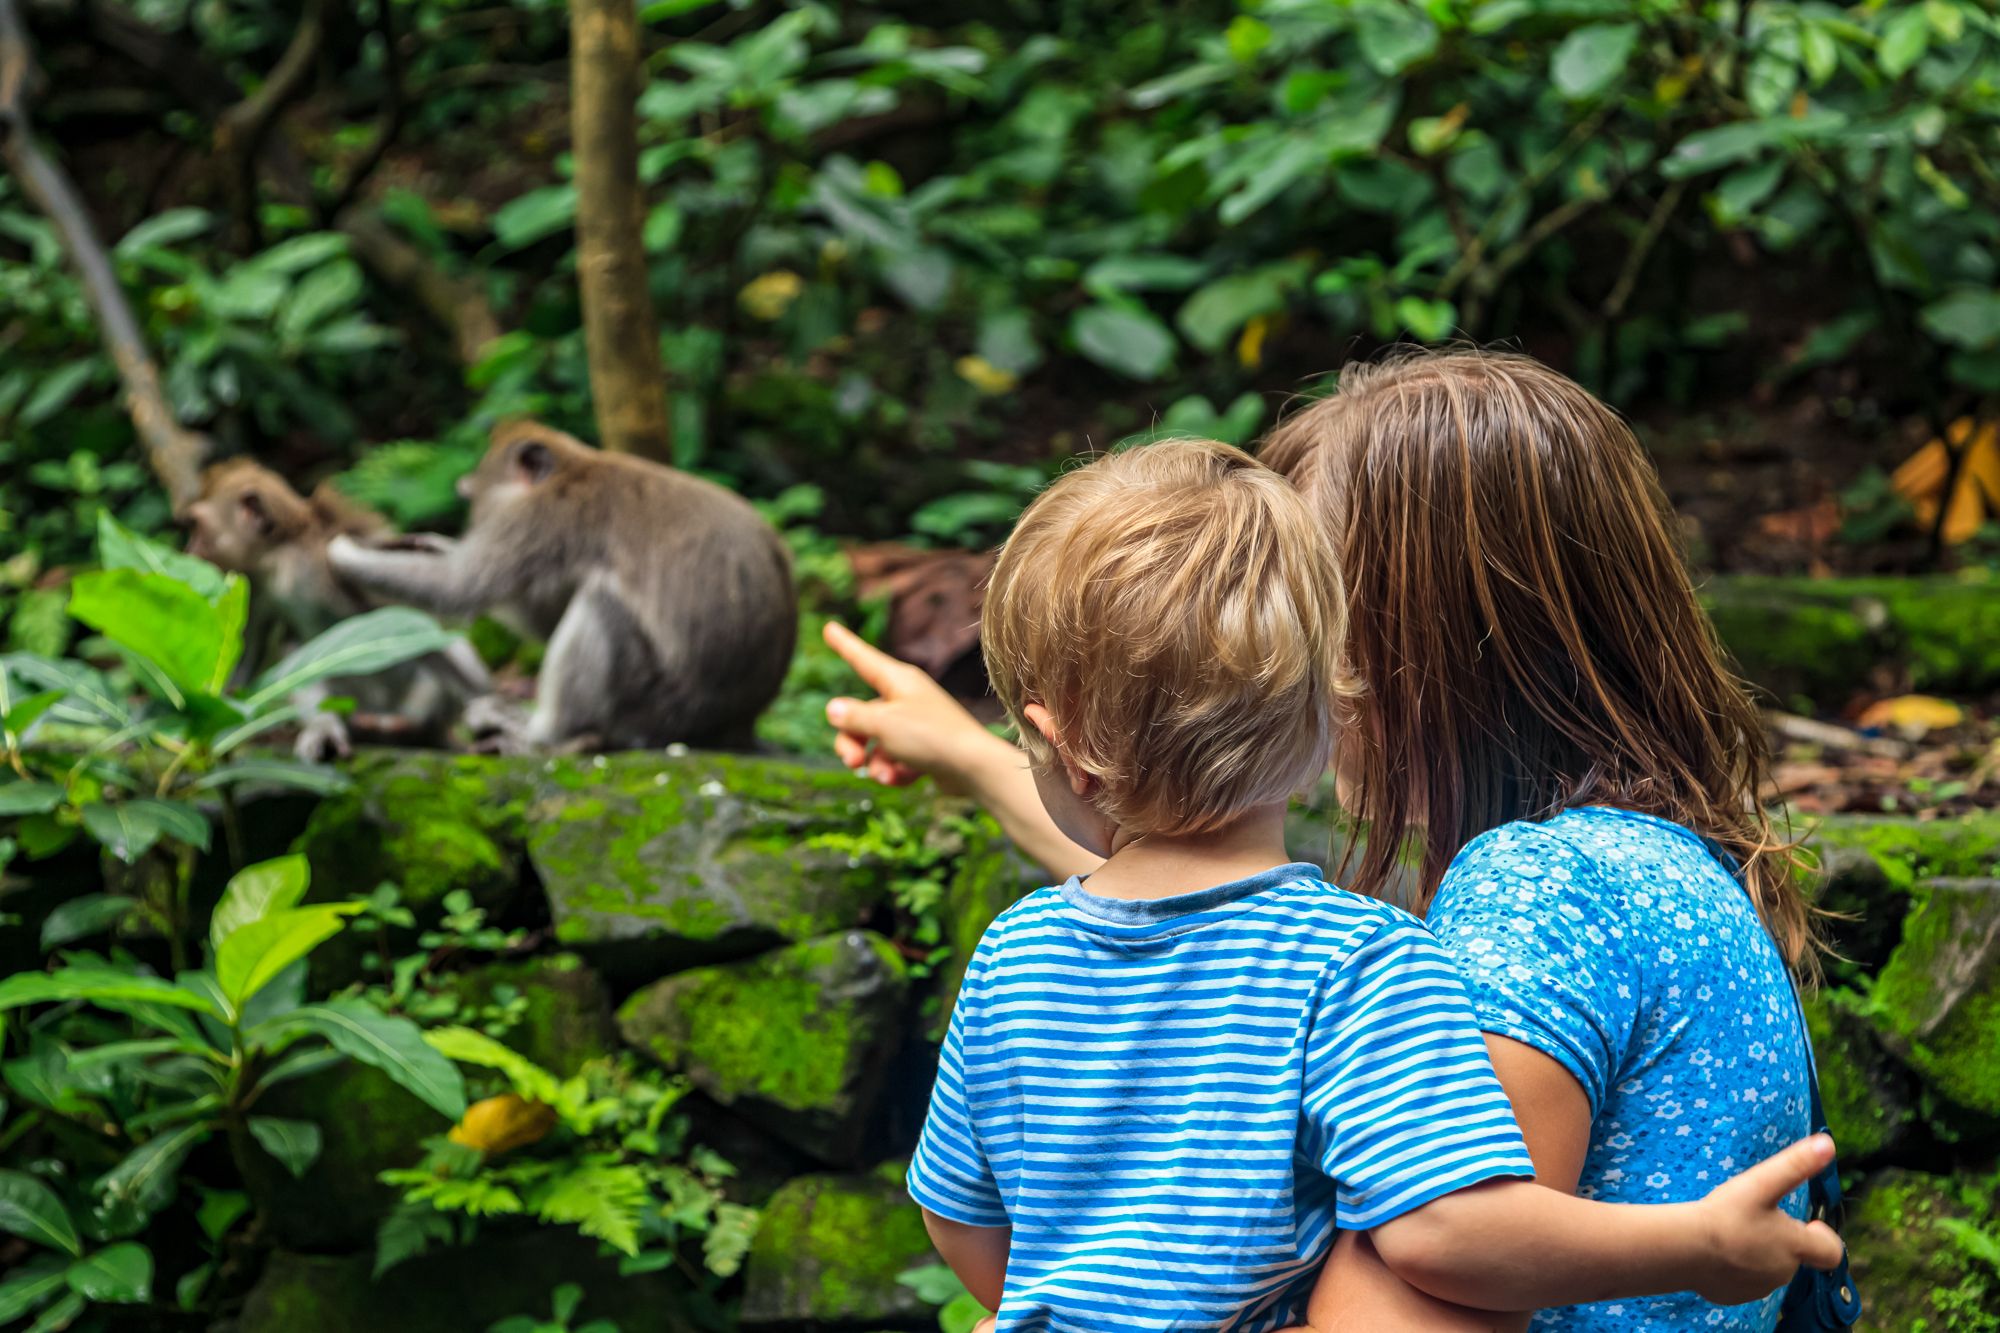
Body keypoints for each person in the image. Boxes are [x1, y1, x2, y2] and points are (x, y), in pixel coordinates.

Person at [824, 349, 1823, 1331]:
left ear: (1418, 629)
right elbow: (1199, 923)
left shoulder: (1540, 893)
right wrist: (964, 751)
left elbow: (1429, 1254)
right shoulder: (1632, 864)